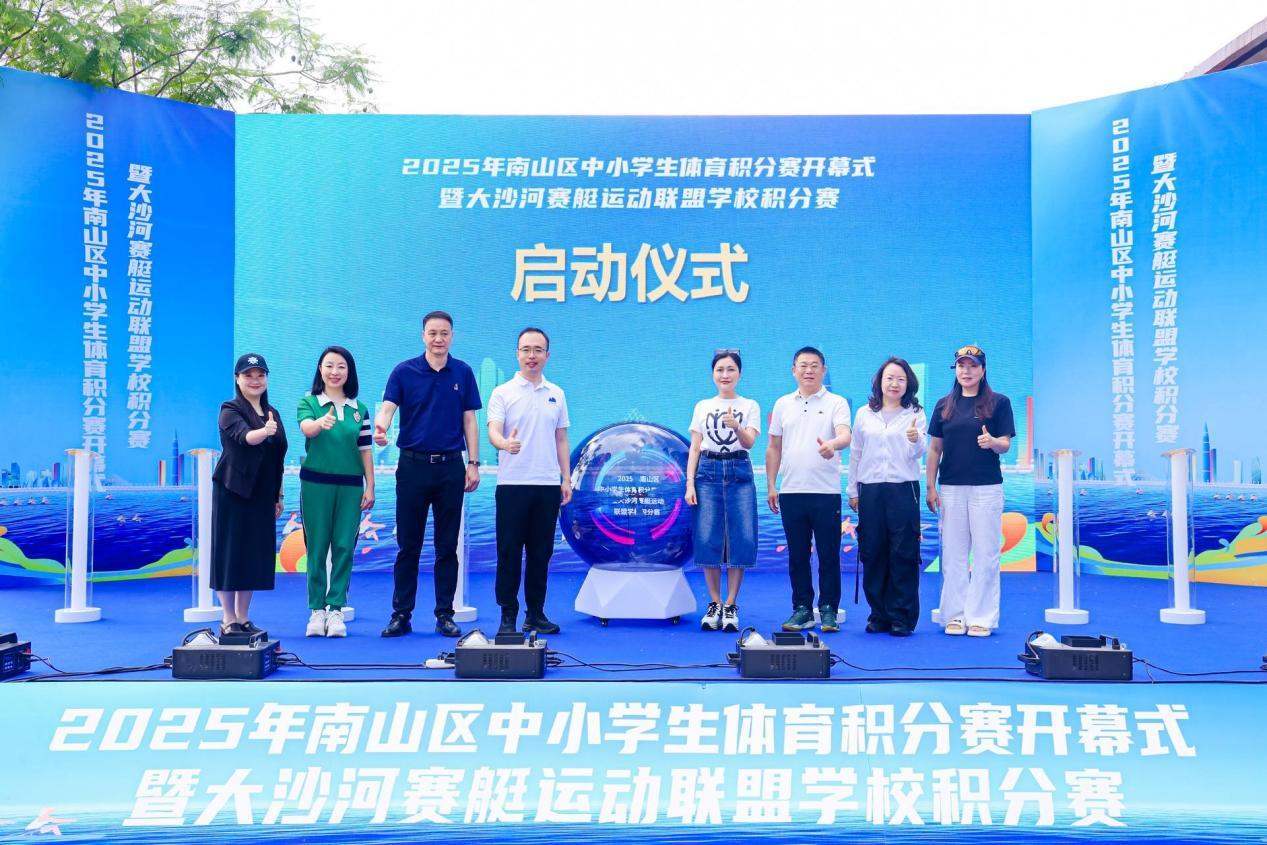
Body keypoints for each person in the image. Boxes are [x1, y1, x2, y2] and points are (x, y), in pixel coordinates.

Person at [376, 311, 482, 638]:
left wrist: (473, 462)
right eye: (433, 333)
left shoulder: (462, 372)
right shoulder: (403, 371)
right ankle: (401, 614)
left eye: (444, 333)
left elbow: (469, 421)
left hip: (451, 467)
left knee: (446, 546)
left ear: (452, 336)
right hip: (412, 467)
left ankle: (444, 614)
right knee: (408, 545)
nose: (438, 339)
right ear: (423, 335)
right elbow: (388, 408)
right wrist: (381, 428)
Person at [487, 327, 572, 635]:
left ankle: (535, 613)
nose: (531, 356)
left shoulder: (556, 393)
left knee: (540, 553)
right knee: (509, 552)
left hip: (547, 485)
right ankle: (507, 616)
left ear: (547, 355)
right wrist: (504, 444)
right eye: (526, 349)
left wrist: (566, 478)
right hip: (512, 485)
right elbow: (494, 431)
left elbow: (561, 438)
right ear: (517, 354)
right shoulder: (503, 392)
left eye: (538, 350)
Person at [926, 344, 1015, 637]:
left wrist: (993, 443)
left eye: (973, 366)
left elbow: (1005, 444)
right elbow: (935, 449)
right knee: (953, 554)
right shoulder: (944, 405)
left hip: (986, 488)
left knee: (986, 553)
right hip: (951, 487)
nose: (967, 371)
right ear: (956, 370)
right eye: (962, 366)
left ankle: (981, 617)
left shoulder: (999, 403)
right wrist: (930, 486)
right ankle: (954, 615)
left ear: (983, 370)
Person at [766, 346, 852, 632]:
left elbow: (845, 434)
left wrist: (833, 445)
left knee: (828, 554)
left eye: (814, 365)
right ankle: (802, 609)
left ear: (823, 370)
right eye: (803, 365)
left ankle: (828, 609)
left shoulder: (836, 402)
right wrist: (771, 485)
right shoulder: (782, 404)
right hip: (791, 491)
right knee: (797, 555)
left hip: (826, 492)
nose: (809, 370)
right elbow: (774, 447)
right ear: (794, 371)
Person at [297, 345, 375, 638]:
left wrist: (370, 485)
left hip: (350, 486)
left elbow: (365, 449)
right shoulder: (309, 402)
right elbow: (307, 428)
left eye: (341, 366)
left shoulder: (360, 409)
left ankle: (336, 609)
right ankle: (316, 610)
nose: (335, 371)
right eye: (329, 365)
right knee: (317, 547)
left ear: (349, 372)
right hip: (316, 485)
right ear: (320, 369)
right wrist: (320, 423)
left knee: (344, 547)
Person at [847, 357, 927, 637]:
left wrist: (915, 439)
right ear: (879, 382)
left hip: (903, 489)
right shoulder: (864, 413)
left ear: (909, 384)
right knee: (873, 551)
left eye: (901, 379)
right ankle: (878, 614)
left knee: (903, 552)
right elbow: (856, 453)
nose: (895, 384)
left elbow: (917, 453)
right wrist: (852, 489)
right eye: (890, 378)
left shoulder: (915, 413)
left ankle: (901, 616)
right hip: (870, 489)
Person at [210, 353, 287, 636]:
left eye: (260, 375)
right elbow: (245, 437)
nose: (255, 380)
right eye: (248, 375)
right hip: (233, 492)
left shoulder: (272, 412)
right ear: (237, 379)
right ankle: (228, 618)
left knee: (252, 555)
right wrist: (264, 431)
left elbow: (277, 457)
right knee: (230, 554)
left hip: (262, 494)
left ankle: (243, 618)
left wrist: (278, 495)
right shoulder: (229, 409)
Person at [685, 348, 760, 632]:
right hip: (708, 471)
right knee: (708, 537)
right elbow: (695, 447)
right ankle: (714, 603)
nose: (725, 375)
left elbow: (749, 442)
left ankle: (730, 604)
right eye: (720, 370)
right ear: (713, 374)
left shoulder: (750, 405)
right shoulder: (702, 405)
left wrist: (736, 426)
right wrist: (690, 483)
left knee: (741, 536)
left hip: (739, 469)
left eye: (731, 369)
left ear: (739, 374)